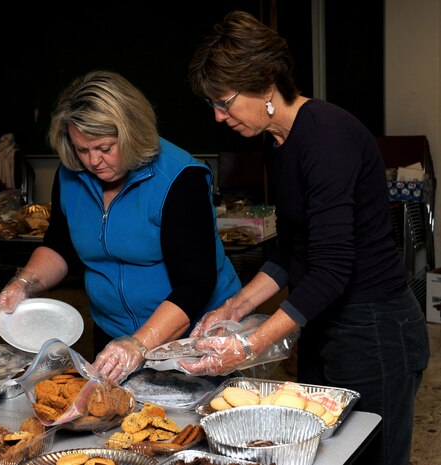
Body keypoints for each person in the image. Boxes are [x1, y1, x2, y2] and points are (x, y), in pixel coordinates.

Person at [180, 10, 430, 465]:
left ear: (264, 85)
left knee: (372, 456)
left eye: (225, 102)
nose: (219, 117)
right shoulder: (277, 142)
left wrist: (247, 346)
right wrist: (234, 309)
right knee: (318, 451)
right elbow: (294, 249)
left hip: (376, 326)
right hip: (323, 319)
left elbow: (333, 268)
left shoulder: (327, 137)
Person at [0, 70, 241, 384]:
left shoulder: (181, 179)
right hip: (114, 336)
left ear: (132, 134)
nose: (93, 161)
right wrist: (24, 282)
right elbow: (60, 245)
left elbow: (195, 284)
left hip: (193, 336)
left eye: (105, 148)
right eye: (82, 150)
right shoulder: (71, 173)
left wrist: (139, 344)